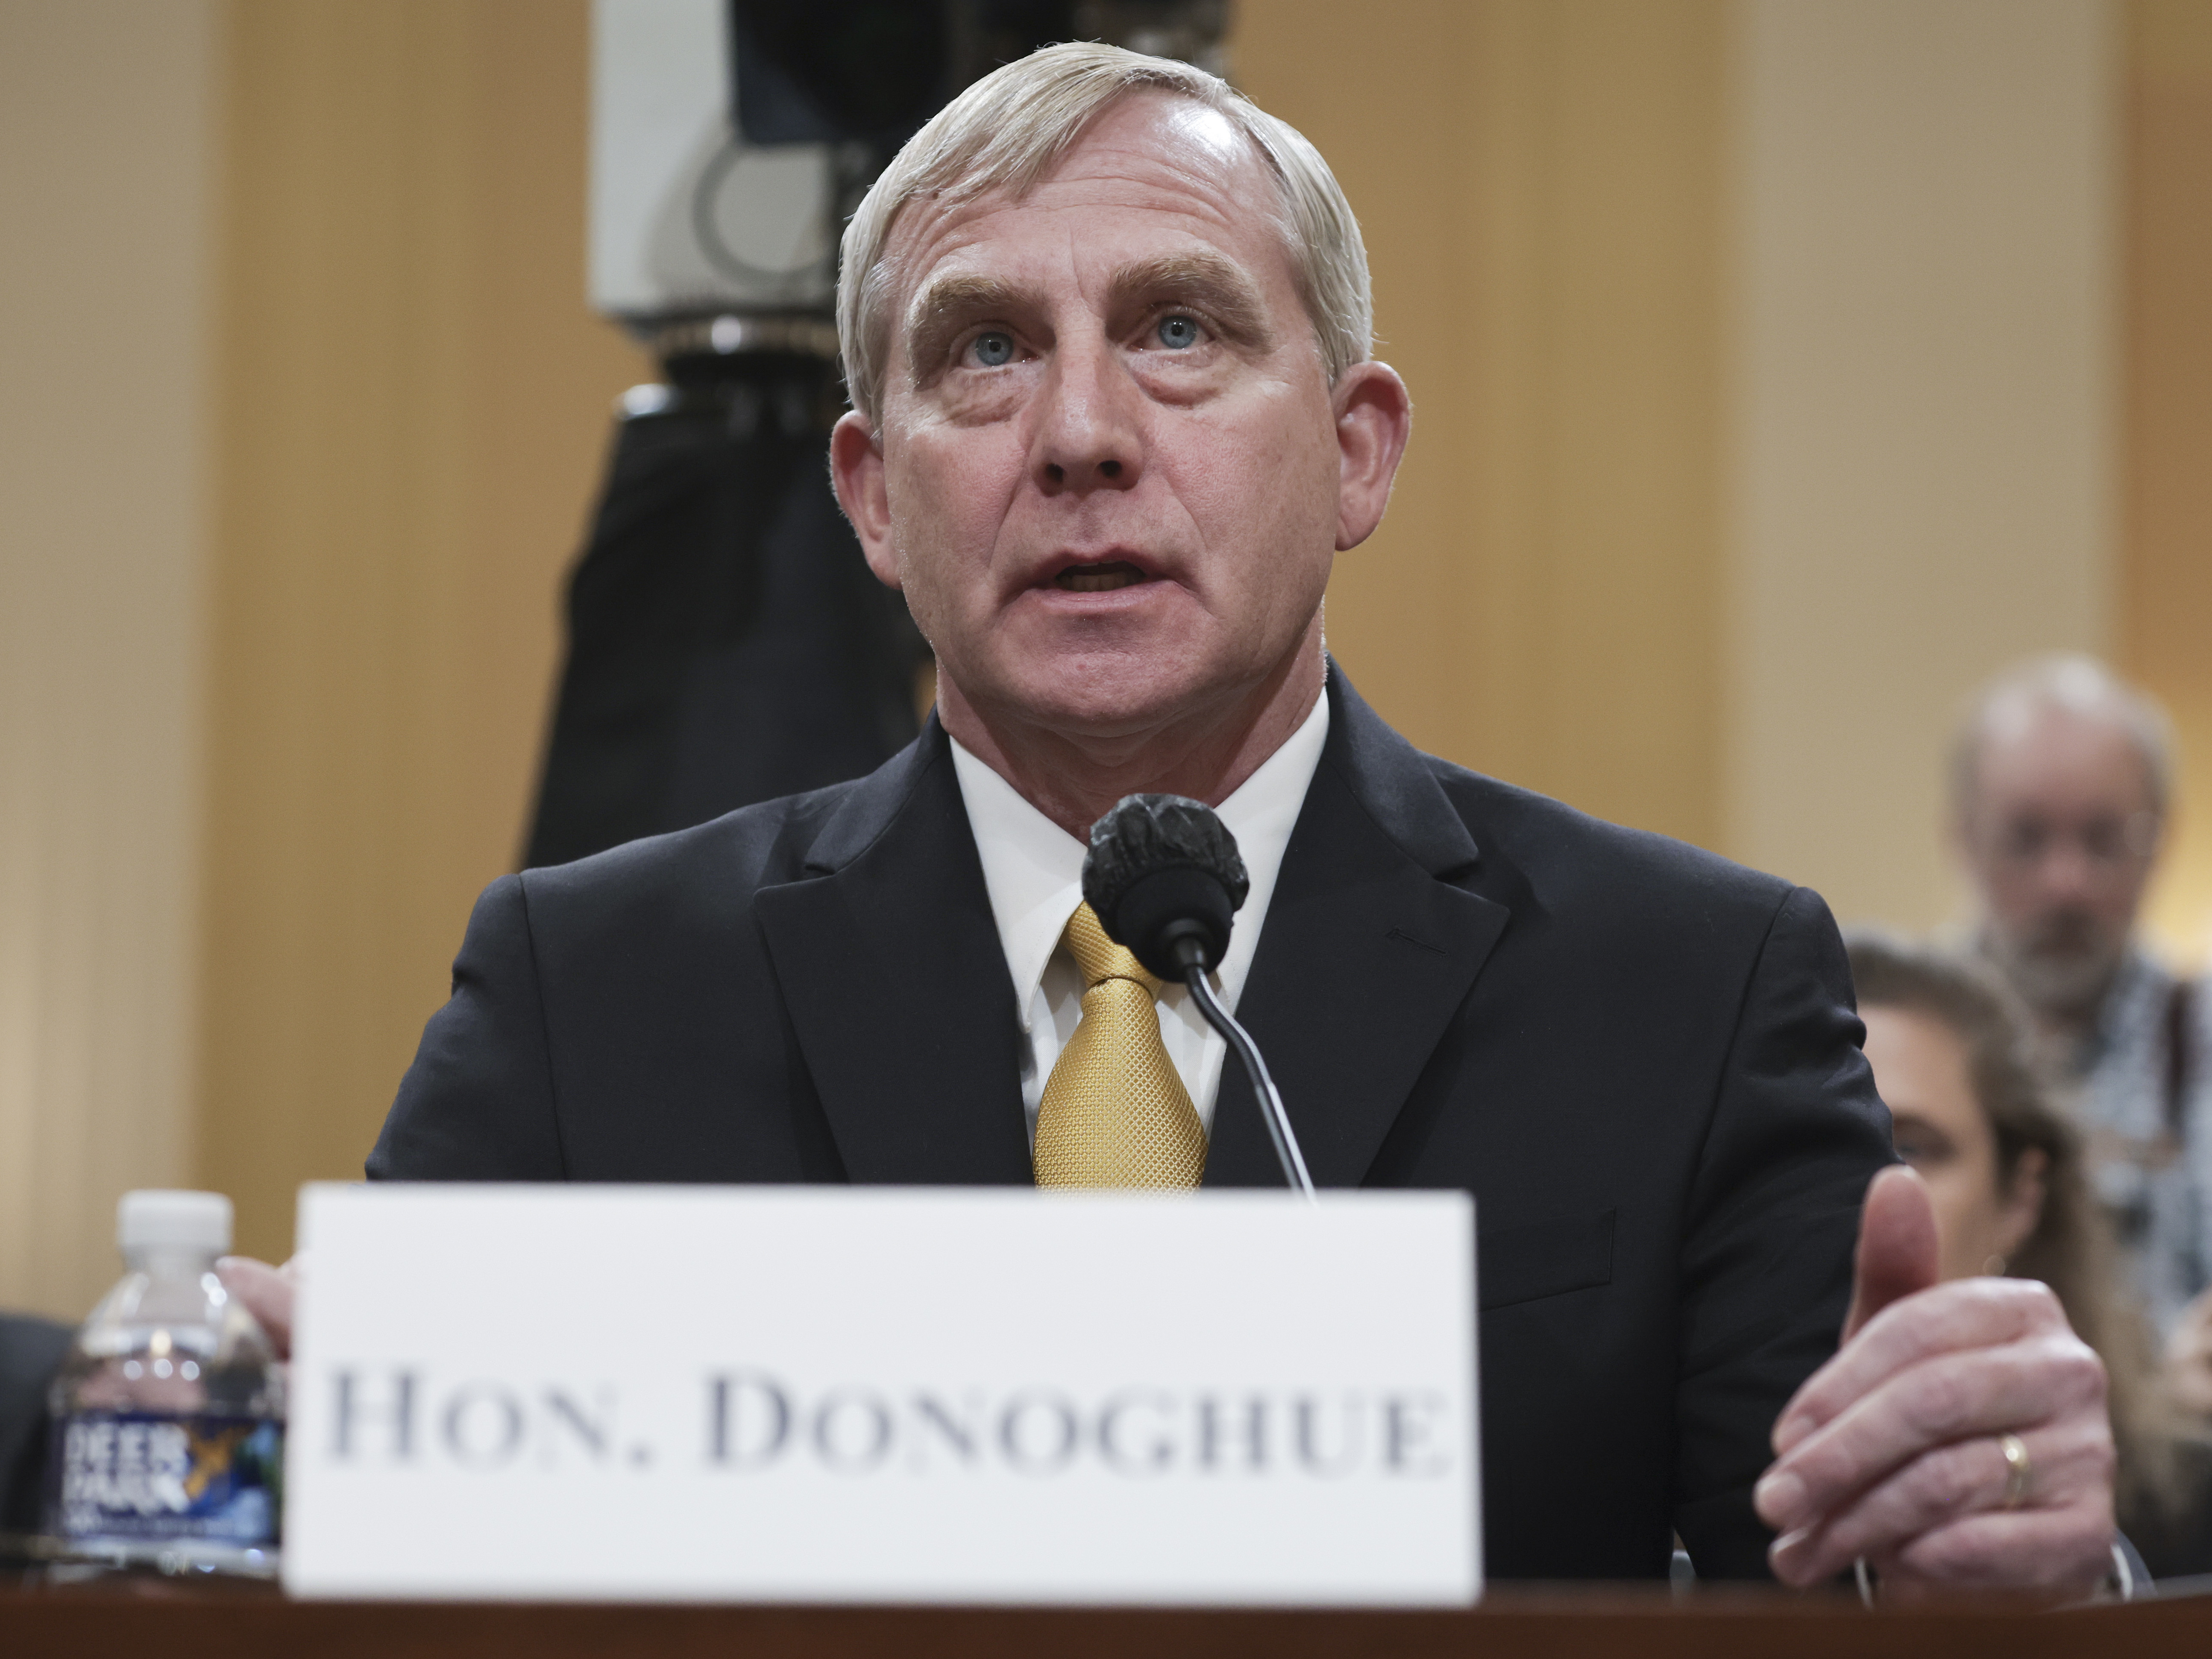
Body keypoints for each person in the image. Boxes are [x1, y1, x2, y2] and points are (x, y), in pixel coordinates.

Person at [223, 44, 2117, 1594]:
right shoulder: (592, 990)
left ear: (1355, 449)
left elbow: (1857, 1581)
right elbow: (373, 1568)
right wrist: (278, 1472)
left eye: (1180, 330)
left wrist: (1992, 1545)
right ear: (872, 497)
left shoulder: (1684, 992)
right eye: (983, 350)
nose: (1080, 433)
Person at [1848, 930, 2212, 1576]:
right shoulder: (1662, 1483)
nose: (1865, 1194)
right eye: (1801, 1151)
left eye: (1914, 1149)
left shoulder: (2183, 1512)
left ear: (2020, 1197)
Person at [1952, 654, 2212, 1337]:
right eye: (2025, 838)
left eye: (2102, 840)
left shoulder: (2200, 1040)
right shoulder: (1887, 1045)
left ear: (2160, 841)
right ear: (1962, 838)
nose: (2065, 883)